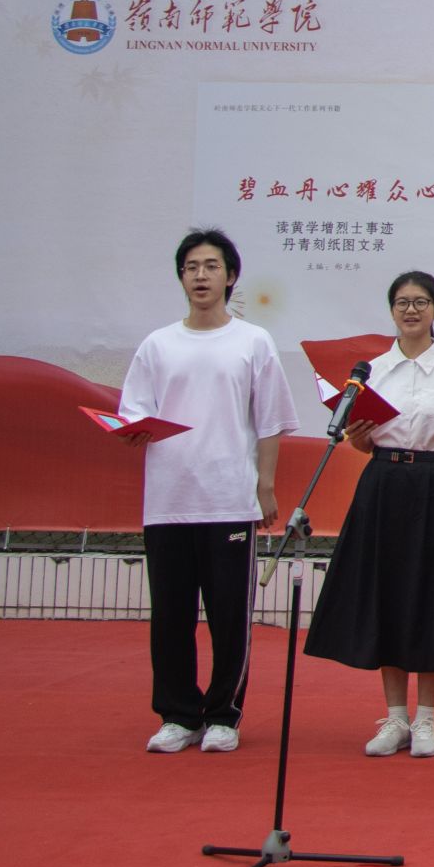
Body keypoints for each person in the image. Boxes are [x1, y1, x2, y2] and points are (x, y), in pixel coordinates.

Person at [122, 228, 299, 753]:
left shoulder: (253, 341)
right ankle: (178, 715)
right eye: (191, 267)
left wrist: (265, 486)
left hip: (228, 498)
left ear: (231, 276)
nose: (201, 276)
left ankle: (224, 714)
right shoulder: (158, 344)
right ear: (181, 277)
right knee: (170, 616)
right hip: (169, 500)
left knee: (229, 615)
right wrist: (132, 430)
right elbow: (134, 413)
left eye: (211, 267)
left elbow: (270, 421)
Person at [304, 271, 434, 757]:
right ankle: (395, 717)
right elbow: (363, 442)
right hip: (383, 484)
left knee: (431, 598)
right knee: (387, 595)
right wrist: (359, 439)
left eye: (421, 302)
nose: (411, 310)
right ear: (391, 310)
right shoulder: (372, 371)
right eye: (402, 302)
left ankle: (426, 718)